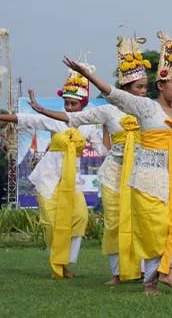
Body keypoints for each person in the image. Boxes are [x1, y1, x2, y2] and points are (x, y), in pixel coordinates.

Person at [64, 31, 172, 295]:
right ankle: (151, 281)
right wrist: (86, 75)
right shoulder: (146, 108)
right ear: (161, 85)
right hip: (146, 177)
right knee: (155, 230)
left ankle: (170, 271)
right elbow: (114, 94)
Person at [29, 36, 150, 284]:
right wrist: (41, 110)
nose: (143, 92)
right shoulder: (106, 111)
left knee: (130, 220)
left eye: (145, 88)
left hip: (137, 172)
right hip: (92, 175)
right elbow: (64, 119)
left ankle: (138, 270)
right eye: (138, 87)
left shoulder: (148, 110)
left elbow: (103, 146)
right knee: (113, 222)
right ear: (125, 89)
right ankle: (117, 273)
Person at [0, 65, 104, 279]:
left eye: (73, 104)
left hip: (71, 181)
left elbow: (103, 149)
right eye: (66, 103)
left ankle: (65, 261)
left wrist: (109, 128)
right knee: (54, 223)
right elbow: (28, 119)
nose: (68, 107)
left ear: (83, 105)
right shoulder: (56, 119)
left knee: (80, 217)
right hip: (48, 179)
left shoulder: (89, 126)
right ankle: (60, 267)